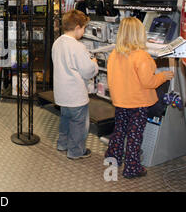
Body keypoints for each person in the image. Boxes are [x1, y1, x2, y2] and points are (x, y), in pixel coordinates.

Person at [105, 17, 174, 179]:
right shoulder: (142, 56)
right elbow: (149, 82)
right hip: (138, 104)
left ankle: (113, 157)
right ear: (140, 34)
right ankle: (132, 167)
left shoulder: (115, 53)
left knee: (119, 131)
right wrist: (163, 76)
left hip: (121, 102)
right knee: (134, 136)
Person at [52, 10, 98, 160]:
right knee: (79, 125)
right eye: (84, 28)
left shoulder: (57, 42)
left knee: (65, 120)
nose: (84, 31)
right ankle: (76, 151)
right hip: (76, 94)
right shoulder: (78, 47)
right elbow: (87, 71)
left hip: (62, 93)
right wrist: (94, 64)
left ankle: (62, 144)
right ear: (77, 27)